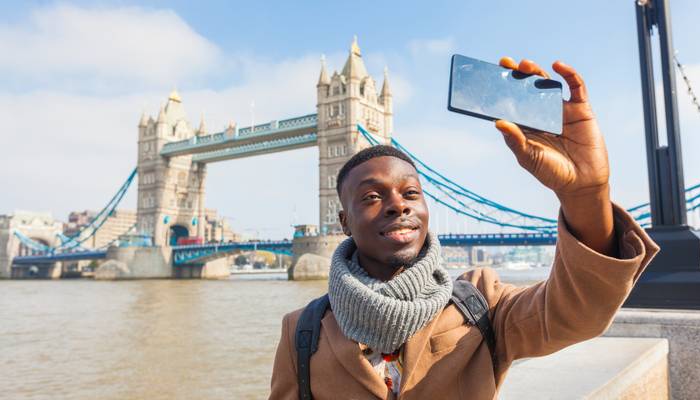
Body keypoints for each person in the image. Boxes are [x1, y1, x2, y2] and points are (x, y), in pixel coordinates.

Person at [269, 57, 659, 399]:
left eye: (410, 193)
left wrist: (586, 194)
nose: (397, 205)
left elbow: (580, 313)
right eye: (372, 197)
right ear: (344, 222)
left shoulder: (481, 304)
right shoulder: (302, 332)